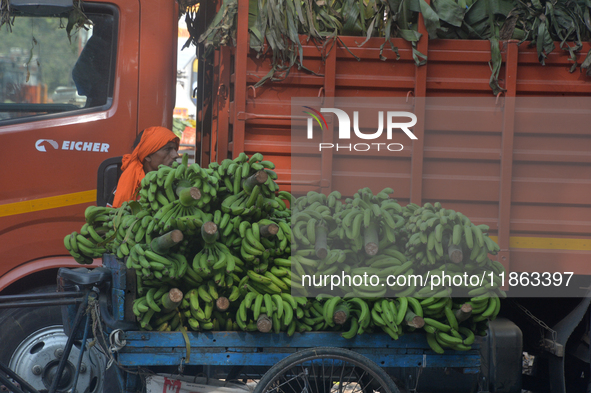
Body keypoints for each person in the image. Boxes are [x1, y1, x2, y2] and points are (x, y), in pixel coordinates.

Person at [111, 126, 180, 208]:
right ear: (147, 156)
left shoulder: (179, 186)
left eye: (175, 149)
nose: (176, 155)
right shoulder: (124, 188)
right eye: (167, 149)